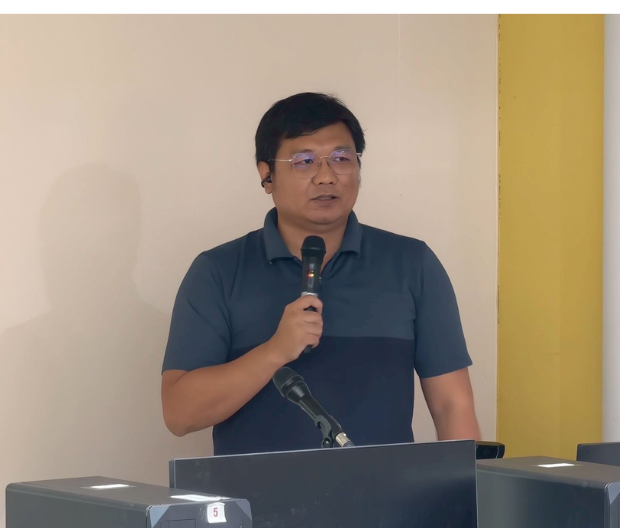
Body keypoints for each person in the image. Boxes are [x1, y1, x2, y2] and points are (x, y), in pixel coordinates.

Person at [161, 92, 481, 456]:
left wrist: (465, 487)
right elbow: (179, 414)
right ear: (266, 175)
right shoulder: (217, 271)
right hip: (255, 494)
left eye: (342, 158)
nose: (326, 176)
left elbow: (452, 406)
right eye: (304, 161)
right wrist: (275, 351)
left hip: (388, 493)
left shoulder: (412, 263)